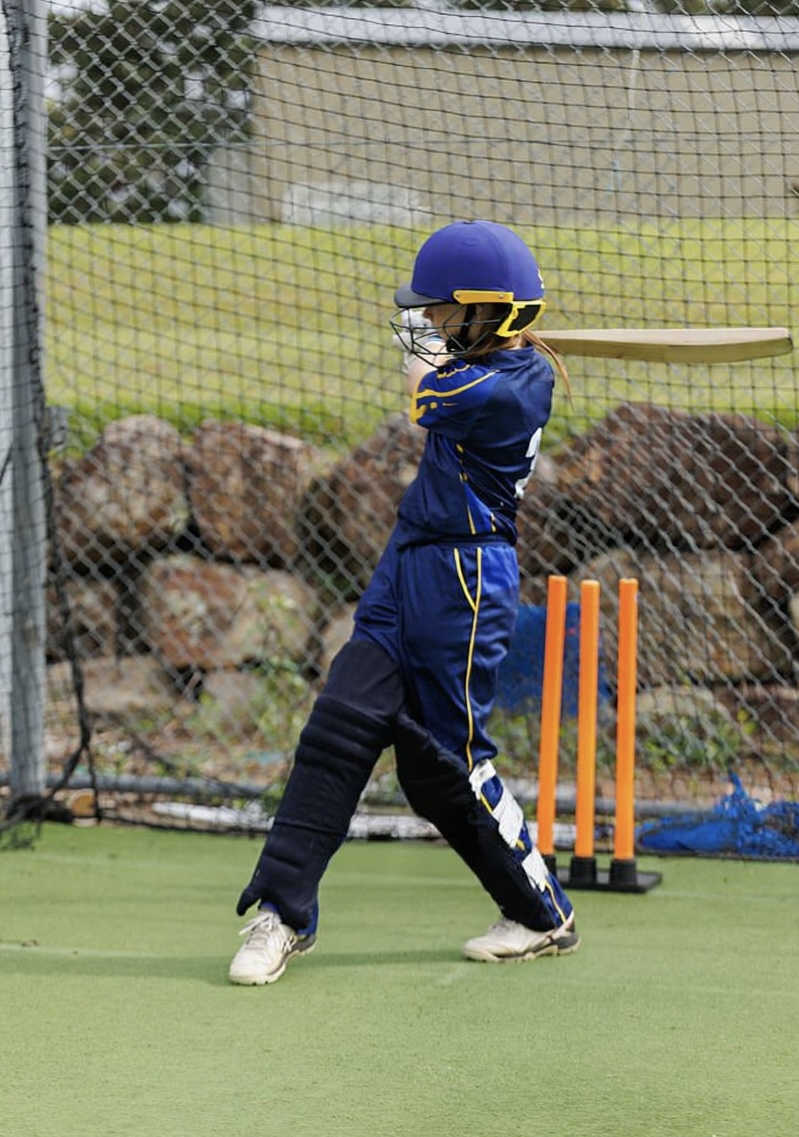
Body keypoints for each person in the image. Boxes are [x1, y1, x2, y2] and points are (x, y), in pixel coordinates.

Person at [229, 219, 579, 985]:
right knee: (339, 722)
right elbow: (429, 357)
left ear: (487, 312)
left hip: (467, 578)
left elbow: (422, 388)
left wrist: (427, 345)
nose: (428, 319)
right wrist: (436, 331)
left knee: (442, 768)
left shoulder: (514, 385)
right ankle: (283, 911)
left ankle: (540, 912)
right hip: (408, 561)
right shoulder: (482, 361)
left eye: (443, 308)